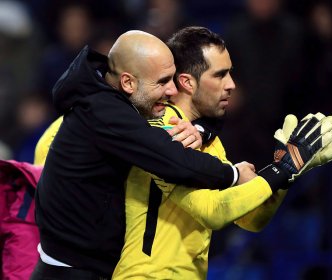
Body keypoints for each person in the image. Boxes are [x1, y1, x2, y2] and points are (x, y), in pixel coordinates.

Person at [111, 27, 332, 279]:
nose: (231, 85)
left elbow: (251, 220)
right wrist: (283, 170)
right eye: (220, 75)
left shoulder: (207, 139)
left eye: (230, 73)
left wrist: (288, 172)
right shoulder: (167, 130)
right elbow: (212, 212)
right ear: (188, 82)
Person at [30, 30, 255, 279]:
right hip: (73, 271)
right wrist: (235, 175)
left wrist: (200, 130)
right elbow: (176, 163)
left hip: (82, 265)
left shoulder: (118, 100)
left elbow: (205, 107)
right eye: (162, 82)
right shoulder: (106, 114)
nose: (172, 90)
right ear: (128, 83)